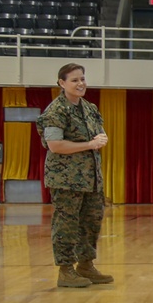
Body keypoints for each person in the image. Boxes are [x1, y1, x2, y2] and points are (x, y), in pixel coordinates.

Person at [36, 63, 112, 289]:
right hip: (66, 179)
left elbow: (99, 131)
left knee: (91, 222)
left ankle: (86, 265)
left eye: (82, 79)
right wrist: (89, 144)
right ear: (62, 83)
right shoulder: (56, 111)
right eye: (74, 80)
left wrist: (100, 139)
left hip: (91, 178)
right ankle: (66, 270)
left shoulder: (89, 108)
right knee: (67, 224)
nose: (81, 84)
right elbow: (55, 145)